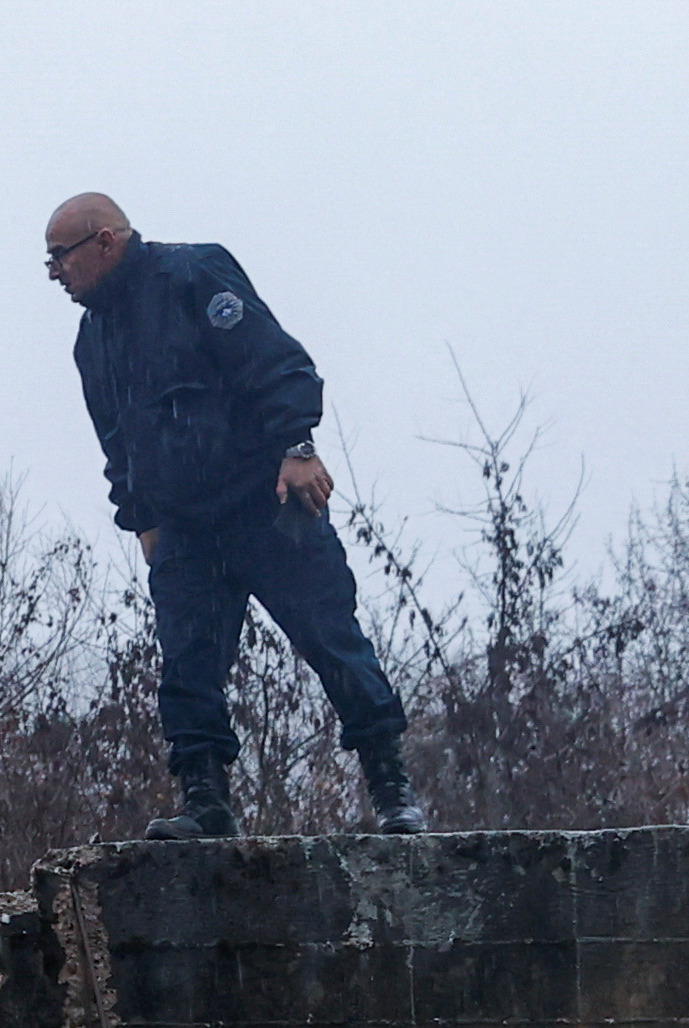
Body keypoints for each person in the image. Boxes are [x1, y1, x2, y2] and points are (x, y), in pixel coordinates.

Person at [44, 190, 422, 839]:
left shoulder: (193, 274)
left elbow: (273, 361)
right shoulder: (92, 340)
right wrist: (142, 521)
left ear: (103, 241)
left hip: (264, 504)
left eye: (60, 256)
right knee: (186, 666)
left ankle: (391, 790)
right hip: (184, 529)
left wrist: (297, 447)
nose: (55, 273)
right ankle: (206, 803)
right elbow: (117, 442)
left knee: (330, 638)